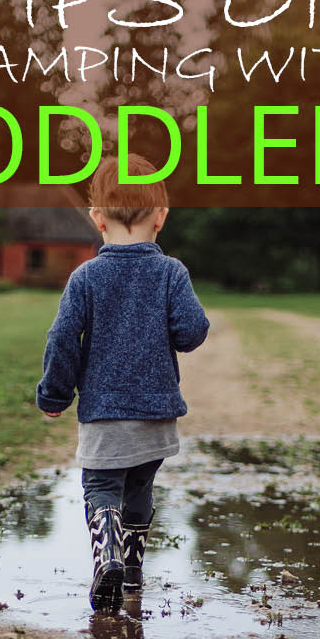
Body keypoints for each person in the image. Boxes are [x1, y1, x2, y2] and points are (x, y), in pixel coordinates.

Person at [36, 154, 210, 613]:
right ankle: (131, 572)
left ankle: (107, 556)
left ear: (96, 219)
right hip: (156, 416)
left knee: (101, 487)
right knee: (139, 488)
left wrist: (55, 393)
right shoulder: (172, 272)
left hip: (104, 414)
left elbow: (62, 339)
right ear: (161, 217)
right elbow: (192, 332)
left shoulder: (86, 277)